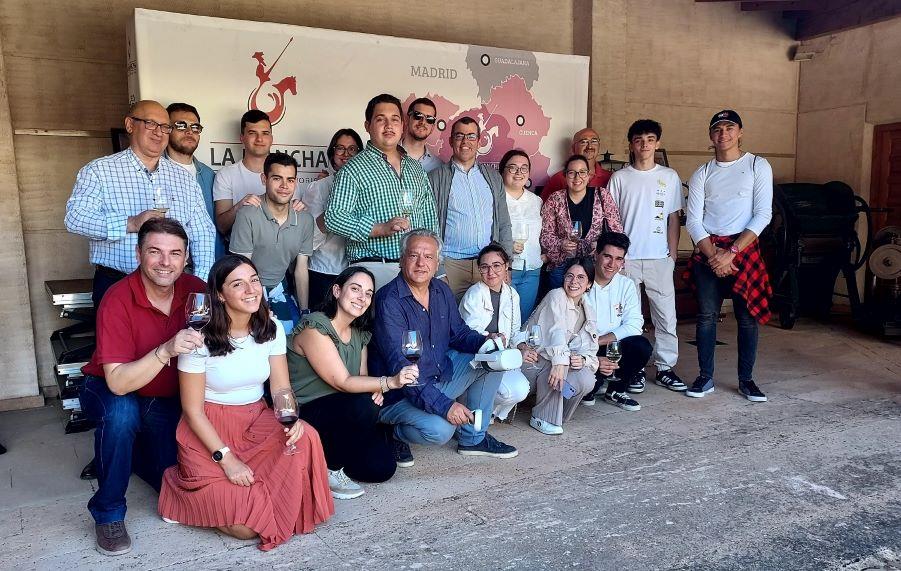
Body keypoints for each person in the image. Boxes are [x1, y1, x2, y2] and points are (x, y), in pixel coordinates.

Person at [158, 255, 334, 551]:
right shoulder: (198, 339)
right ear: (219, 294)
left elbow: (280, 388)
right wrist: (227, 459)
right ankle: (179, 490)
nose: (251, 289)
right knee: (246, 529)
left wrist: (290, 416)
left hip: (256, 421)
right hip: (208, 429)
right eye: (238, 284)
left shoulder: (271, 328)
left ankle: (264, 491)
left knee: (306, 437)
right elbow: (193, 411)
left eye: (254, 280)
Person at [78, 218, 206, 556]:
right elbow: (118, 382)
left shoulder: (197, 291)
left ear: (186, 257)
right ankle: (108, 512)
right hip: (109, 386)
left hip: (161, 396)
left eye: (175, 253)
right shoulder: (117, 297)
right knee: (122, 416)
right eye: (155, 251)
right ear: (138, 254)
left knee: (171, 479)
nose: (165, 262)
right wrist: (166, 350)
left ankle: (129, 454)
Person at [370, 230, 518, 467]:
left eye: (429, 257)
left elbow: (458, 334)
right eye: (414, 255)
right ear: (401, 259)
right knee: (441, 430)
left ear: (437, 262)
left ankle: (473, 439)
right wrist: (446, 406)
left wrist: (486, 341)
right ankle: (392, 432)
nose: (421, 263)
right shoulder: (389, 301)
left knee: (494, 357)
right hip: (399, 394)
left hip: (437, 377)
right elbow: (403, 370)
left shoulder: (440, 290)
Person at [65, 99, 215, 306]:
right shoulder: (99, 171)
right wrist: (130, 223)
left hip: (174, 285)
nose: (159, 132)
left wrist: (200, 286)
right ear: (130, 125)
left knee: (181, 331)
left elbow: (203, 232)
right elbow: (75, 219)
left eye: (165, 127)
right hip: (117, 282)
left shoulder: (184, 178)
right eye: (151, 124)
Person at [287, 266, 418, 499]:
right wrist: (388, 383)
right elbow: (344, 382)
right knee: (363, 405)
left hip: (342, 412)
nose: (362, 297)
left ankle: (320, 460)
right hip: (308, 413)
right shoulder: (315, 327)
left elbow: (362, 379)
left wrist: (375, 390)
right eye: (355, 289)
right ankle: (330, 469)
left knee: (382, 468)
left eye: (368, 293)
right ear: (337, 291)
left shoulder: (358, 333)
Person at [684, 110, 773, 402]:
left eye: (729, 127)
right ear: (711, 136)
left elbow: (763, 214)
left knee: (747, 319)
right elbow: (694, 221)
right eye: (717, 129)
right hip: (709, 251)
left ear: (740, 132)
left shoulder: (758, 165)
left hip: (743, 250)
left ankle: (747, 380)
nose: (723, 134)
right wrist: (715, 256)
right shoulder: (702, 173)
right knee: (707, 316)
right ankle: (705, 377)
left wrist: (732, 252)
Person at [326, 93, 439, 290]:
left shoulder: (415, 168)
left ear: (402, 125)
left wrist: (435, 263)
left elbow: (429, 219)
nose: (389, 126)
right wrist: (379, 228)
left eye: (394, 120)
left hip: (416, 270)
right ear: (367, 126)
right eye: (380, 119)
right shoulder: (353, 169)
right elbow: (333, 217)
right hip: (373, 269)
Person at [607, 119, 687, 393]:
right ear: (631, 144)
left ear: (657, 143)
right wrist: (616, 258)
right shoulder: (619, 178)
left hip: (659, 259)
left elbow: (673, 218)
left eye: (650, 139)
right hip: (626, 260)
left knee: (665, 316)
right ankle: (634, 367)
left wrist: (672, 255)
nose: (644, 145)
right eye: (639, 140)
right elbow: (612, 220)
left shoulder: (670, 176)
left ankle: (665, 367)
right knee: (628, 317)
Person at [229, 152, 314, 333]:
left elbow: (301, 269)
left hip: (279, 290)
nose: (284, 186)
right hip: (249, 291)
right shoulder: (248, 214)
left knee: (292, 335)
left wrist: (304, 311)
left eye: (290, 180)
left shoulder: (305, 219)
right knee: (256, 336)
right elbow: (241, 269)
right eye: (277, 178)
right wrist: (258, 306)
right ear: (264, 179)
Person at [429, 117, 513, 299]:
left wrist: (506, 264)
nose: (465, 141)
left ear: (479, 141)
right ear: (450, 140)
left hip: (488, 267)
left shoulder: (493, 177)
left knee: (489, 316)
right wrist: (439, 270)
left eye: (471, 136)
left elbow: (504, 223)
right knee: (449, 316)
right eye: (459, 136)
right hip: (451, 267)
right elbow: (428, 227)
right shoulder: (436, 178)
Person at [521, 256, 600, 435]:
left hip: (550, 360)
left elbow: (591, 348)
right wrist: (560, 363)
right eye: (569, 276)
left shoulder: (588, 308)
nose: (574, 282)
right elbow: (555, 334)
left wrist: (583, 359)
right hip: (530, 360)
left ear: (589, 284)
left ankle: (560, 414)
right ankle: (542, 417)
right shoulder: (556, 295)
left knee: (586, 379)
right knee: (558, 364)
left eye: (581, 277)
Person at [458, 244, 531, 422]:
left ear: (506, 266)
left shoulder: (512, 294)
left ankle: (489, 413)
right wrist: (488, 337)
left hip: (500, 357)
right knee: (507, 391)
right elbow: (468, 332)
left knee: (521, 389)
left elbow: (514, 330)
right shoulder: (474, 294)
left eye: (497, 265)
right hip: (477, 357)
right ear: (480, 270)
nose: (491, 272)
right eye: (485, 267)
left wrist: (522, 345)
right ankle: (472, 408)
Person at [582, 232, 653, 411]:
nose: (612, 264)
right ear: (596, 254)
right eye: (607, 256)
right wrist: (593, 347)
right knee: (589, 390)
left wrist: (602, 340)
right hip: (584, 348)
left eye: (618, 259)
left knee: (641, 346)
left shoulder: (626, 284)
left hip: (611, 346)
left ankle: (616, 390)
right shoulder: (581, 280)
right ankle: (593, 385)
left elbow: (635, 324)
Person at [540, 154, 623, 289]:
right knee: (559, 300)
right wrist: (561, 244)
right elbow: (545, 234)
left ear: (589, 175)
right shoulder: (555, 199)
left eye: (582, 172)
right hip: (562, 265)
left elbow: (616, 231)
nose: (577, 177)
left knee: (590, 301)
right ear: (565, 175)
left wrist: (601, 245)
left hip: (593, 265)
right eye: (572, 173)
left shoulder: (602, 195)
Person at [302, 129, 363, 308]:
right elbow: (308, 240)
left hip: (358, 271)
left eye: (352, 149)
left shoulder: (368, 187)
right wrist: (333, 213)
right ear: (332, 152)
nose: (346, 154)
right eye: (340, 148)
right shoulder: (319, 187)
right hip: (325, 272)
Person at [165, 102, 226, 260]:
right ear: (167, 129)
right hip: (167, 263)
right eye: (181, 125)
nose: (189, 131)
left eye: (195, 127)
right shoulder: (154, 171)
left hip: (206, 263)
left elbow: (214, 227)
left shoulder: (209, 175)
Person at [500, 149, 544, 319]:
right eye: (513, 167)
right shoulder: (495, 199)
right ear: (503, 170)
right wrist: (506, 246)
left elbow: (545, 233)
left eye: (524, 168)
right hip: (507, 269)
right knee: (505, 319)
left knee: (524, 319)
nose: (519, 172)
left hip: (532, 270)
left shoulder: (536, 201)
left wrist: (546, 255)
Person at [540, 128, 613, 201]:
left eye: (594, 141)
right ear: (573, 148)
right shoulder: (558, 179)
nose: (589, 146)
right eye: (584, 142)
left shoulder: (611, 178)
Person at [402, 97, 442, 173]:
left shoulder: (439, 167)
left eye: (430, 119)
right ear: (407, 119)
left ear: (432, 128)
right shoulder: (386, 154)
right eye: (418, 115)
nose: (423, 122)